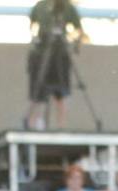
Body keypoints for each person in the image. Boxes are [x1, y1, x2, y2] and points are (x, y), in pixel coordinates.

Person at [25, 0, 83, 132]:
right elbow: (32, 23)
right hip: (42, 53)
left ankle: (61, 128)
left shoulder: (67, 7)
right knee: (38, 93)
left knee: (60, 93)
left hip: (60, 53)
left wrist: (73, 42)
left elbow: (78, 29)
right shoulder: (41, 6)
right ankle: (31, 126)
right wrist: (36, 38)